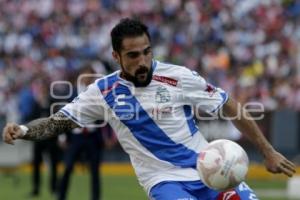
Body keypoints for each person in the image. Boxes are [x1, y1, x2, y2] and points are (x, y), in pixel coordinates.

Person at [3, 18, 296, 199]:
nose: (142, 61)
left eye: (146, 52)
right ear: (116, 56)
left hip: (211, 171)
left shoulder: (178, 76)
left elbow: (229, 105)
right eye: (132, 55)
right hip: (164, 183)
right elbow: (58, 122)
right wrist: (25, 130)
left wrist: (267, 150)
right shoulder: (103, 92)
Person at [57, 65, 113, 200]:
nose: (88, 78)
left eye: (91, 75)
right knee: (67, 167)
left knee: (95, 171)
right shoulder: (72, 93)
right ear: (81, 75)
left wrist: (108, 136)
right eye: (86, 74)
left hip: (93, 137)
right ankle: (61, 196)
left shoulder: (98, 93)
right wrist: (62, 137)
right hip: (76, 137)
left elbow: (107, 115)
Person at [19, 76, 59, 197]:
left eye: (43, 88)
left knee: (53, 164)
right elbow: (30, 118)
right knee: (36, 164)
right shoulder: (35, 103)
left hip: (51, 139)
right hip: (39, 139)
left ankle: (53, 188)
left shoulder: (52, 103)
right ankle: (36, 189)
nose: (41, 90)